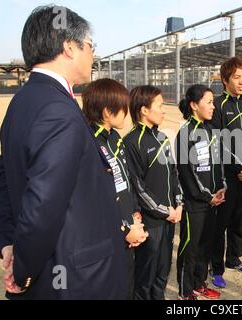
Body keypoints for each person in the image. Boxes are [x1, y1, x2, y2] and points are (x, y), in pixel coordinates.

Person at [0, 6, 129, 299]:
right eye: (91, 46)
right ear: (69, 47)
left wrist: (9, 243)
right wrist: (23, 271)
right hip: (73, 279)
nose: (94, 55)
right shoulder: (58, 110)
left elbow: (2, 180)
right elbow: (43, 203)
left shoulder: (23, 101)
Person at [81, 78, 149, 299]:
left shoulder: (114, 138)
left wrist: (134, 212)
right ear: (108, 112)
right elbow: (95, 199)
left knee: (127, 284)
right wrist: (124, 229)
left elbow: (125, 180)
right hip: (110, 234)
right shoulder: (91, 143)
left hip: (128, 224)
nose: (127, 114)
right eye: (123, 109)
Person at [124, 85, 183, 300]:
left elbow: (174, 173)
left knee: (162, 271)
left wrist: (178, 205)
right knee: (144, 277)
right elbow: (138, 187)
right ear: (144, 110)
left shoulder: (162, 138)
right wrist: (164, 211)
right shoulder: (131, 142)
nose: (164, 109)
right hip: (151, 222)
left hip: (169, 219)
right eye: (159, 105)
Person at [209, 57, 242, 288]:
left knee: (239, 220)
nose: (241, 82)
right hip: (225, 177)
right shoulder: (217, 106)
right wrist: (238, 170)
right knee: (221, 224)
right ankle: (216, 267)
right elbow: (217, 145)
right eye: (236, 77)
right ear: (225, 79)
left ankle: (234, 259)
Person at [175, 84, 226, 300]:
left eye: (213, 102)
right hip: (196, 204)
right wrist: (208, 196)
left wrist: (222, 186)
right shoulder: (186, 133)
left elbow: (219, 162)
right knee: (191, 248)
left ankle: (199, 284)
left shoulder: (211, 130)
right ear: (194, 105)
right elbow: (188, 174)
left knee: (205, 246)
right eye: (209, 102)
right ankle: (185, 292)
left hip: (214, 201)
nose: (213, 107)